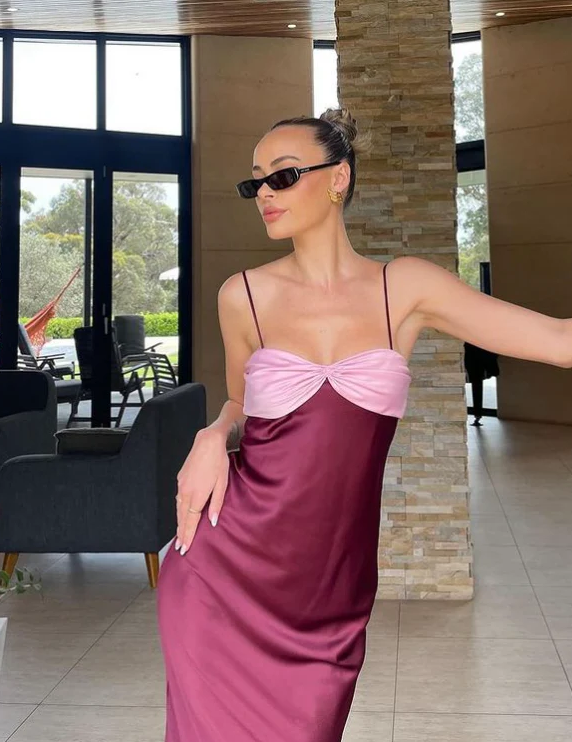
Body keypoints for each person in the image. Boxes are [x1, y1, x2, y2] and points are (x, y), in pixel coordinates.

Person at [156, 107, 571, 742]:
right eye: (255, 182)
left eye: (282, 175)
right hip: (223, 568)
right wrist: (213, 435)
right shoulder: (243, 296)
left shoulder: (403, 288)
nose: (264, 192)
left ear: (338, 177)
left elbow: (559, 341)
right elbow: (239, 405)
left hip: (329, 591)